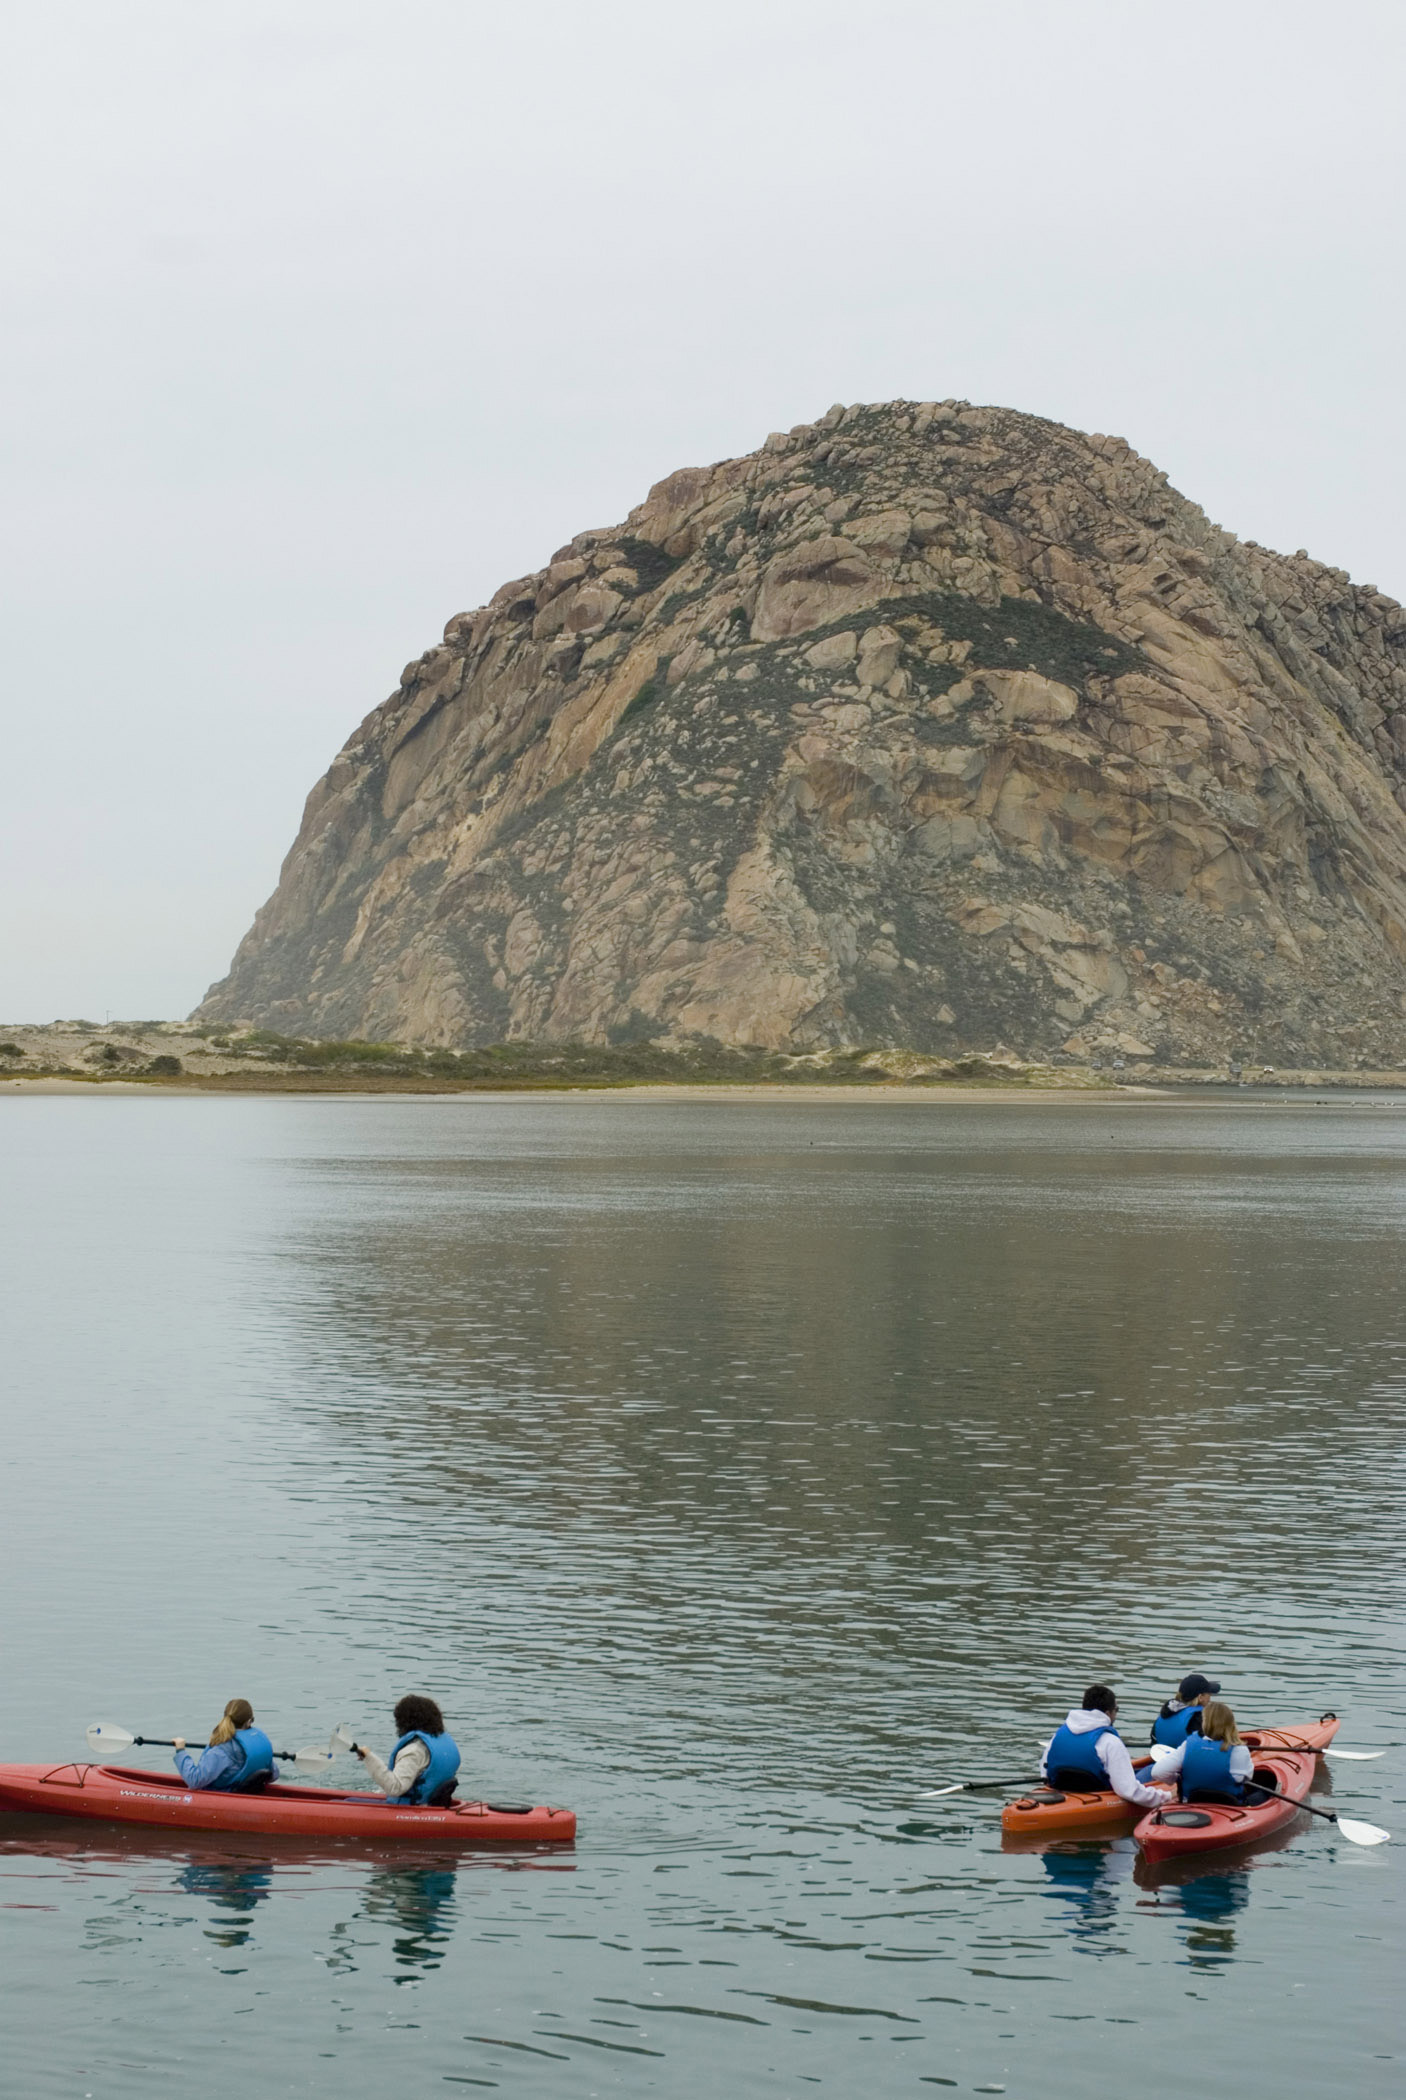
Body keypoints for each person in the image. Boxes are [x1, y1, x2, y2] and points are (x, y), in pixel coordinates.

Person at [1041, 1685, 1172, 1808]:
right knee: (1152, 1768)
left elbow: (1045, 1770)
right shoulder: (1110, 1742)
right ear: (1108, 1713)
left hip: (1061, 1788)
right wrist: (1166, 1797)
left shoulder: (1058, 1735)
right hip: (1098, 1794)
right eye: (1116, 1710)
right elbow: (1128, 1791)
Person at [353, 1695, 461, 1807]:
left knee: (348, 1802)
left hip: (413, 1809)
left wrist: (369, 1758)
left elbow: (395, 1788)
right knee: (351, 1799)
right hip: (434, 1805)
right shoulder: (442, 1743)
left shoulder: (414, 1751)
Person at [1153, 1699, 1255, 1805]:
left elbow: (1157, 1772)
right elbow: (1246, 1778)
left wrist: (1178, 1779)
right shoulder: (1239, 1750)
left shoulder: (1188, 1745)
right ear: (1231, 1723)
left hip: (1192, 1802)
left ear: (1204, 1722)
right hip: (1230, 1806)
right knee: (1261, 1794)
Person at [173, 1698, 275, 1792]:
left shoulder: (220, 1750)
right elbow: (274, 1775)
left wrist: (180, 1751)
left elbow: (194, 1781)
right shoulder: (258, 1746)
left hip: (224, 1797)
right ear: (249, 1722)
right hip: (247, 1794)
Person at [1149, 1671, 1221, 1748]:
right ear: (1200, 1697)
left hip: (1161, 1756)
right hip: (1186, 1758)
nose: (1210, 1698)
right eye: (1209, 1694)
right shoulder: (1199, 1718)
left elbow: (1154, 1740)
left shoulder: (1167, 1711)